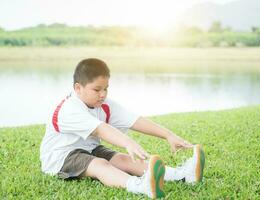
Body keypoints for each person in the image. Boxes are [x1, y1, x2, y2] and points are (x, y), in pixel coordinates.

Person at [40, 58, 205, 199]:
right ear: (78, 88)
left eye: (105, 88)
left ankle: (182, 175)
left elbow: (135, 120)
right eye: (97, 89)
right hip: (61, 158)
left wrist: (168, 135)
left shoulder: (103, 104)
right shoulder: (68, 109)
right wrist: (128, 142)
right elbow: (101, 129)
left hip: (89, 148)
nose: (103, 94)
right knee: (100, 164)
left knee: (123, 159)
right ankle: (140, 186)